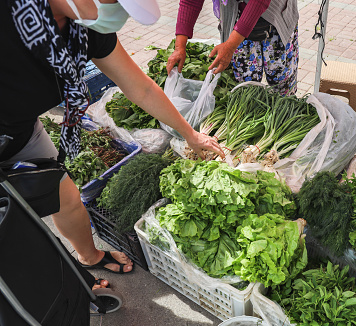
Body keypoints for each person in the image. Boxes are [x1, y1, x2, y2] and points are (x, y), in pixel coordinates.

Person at [1, 0, 224, 279]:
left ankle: (88, 256)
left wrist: (191, 135)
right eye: (112, 2)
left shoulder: (84, 27)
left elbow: (140, 88)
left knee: (65, 196)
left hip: (21, 129)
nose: (115, 13)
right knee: (12, 234)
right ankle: (46, 300)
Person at [167, 0, 299, 96]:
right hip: (236, 20)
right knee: (245, 91)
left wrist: (230, 46)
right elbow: (191, 2)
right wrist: (180, 46)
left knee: (283, 88)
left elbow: (259, 2)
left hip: (277, 18)